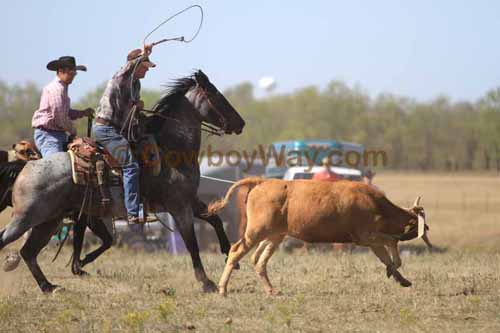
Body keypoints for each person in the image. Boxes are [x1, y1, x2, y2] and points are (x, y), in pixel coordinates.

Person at [92, 44, 156, 224]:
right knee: (131, 166)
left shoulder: (136, 84)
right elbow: (127, 67)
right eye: (145, 66)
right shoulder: (121, 78)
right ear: (135, 65)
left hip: (116, 129)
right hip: (106, 130)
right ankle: (132, 212)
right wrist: (145, 53)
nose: (147, 70)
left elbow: (131, 111)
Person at [32, 56, 94, 157]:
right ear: (60, 71)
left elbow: (65, 112)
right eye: (71, 73)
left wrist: (83, 113)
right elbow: (59, 118)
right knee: (56, 167)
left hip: (56, 134)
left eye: (74, 73)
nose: (73, 76)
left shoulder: (62, 88)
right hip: (49, 136)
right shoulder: (56, 90)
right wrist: (73, 130)